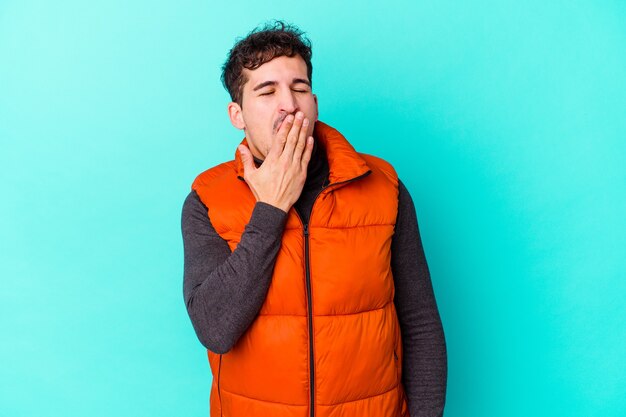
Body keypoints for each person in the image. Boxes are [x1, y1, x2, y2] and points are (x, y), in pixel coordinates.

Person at [181, 20, 447, 417]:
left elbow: (420, 323)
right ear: (237, 114)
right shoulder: (207, 199)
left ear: (314, 101)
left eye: (300, 88)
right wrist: (270, 209)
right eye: (267, 91)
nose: (288, 103)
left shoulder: (384, 187)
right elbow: (215, 330)